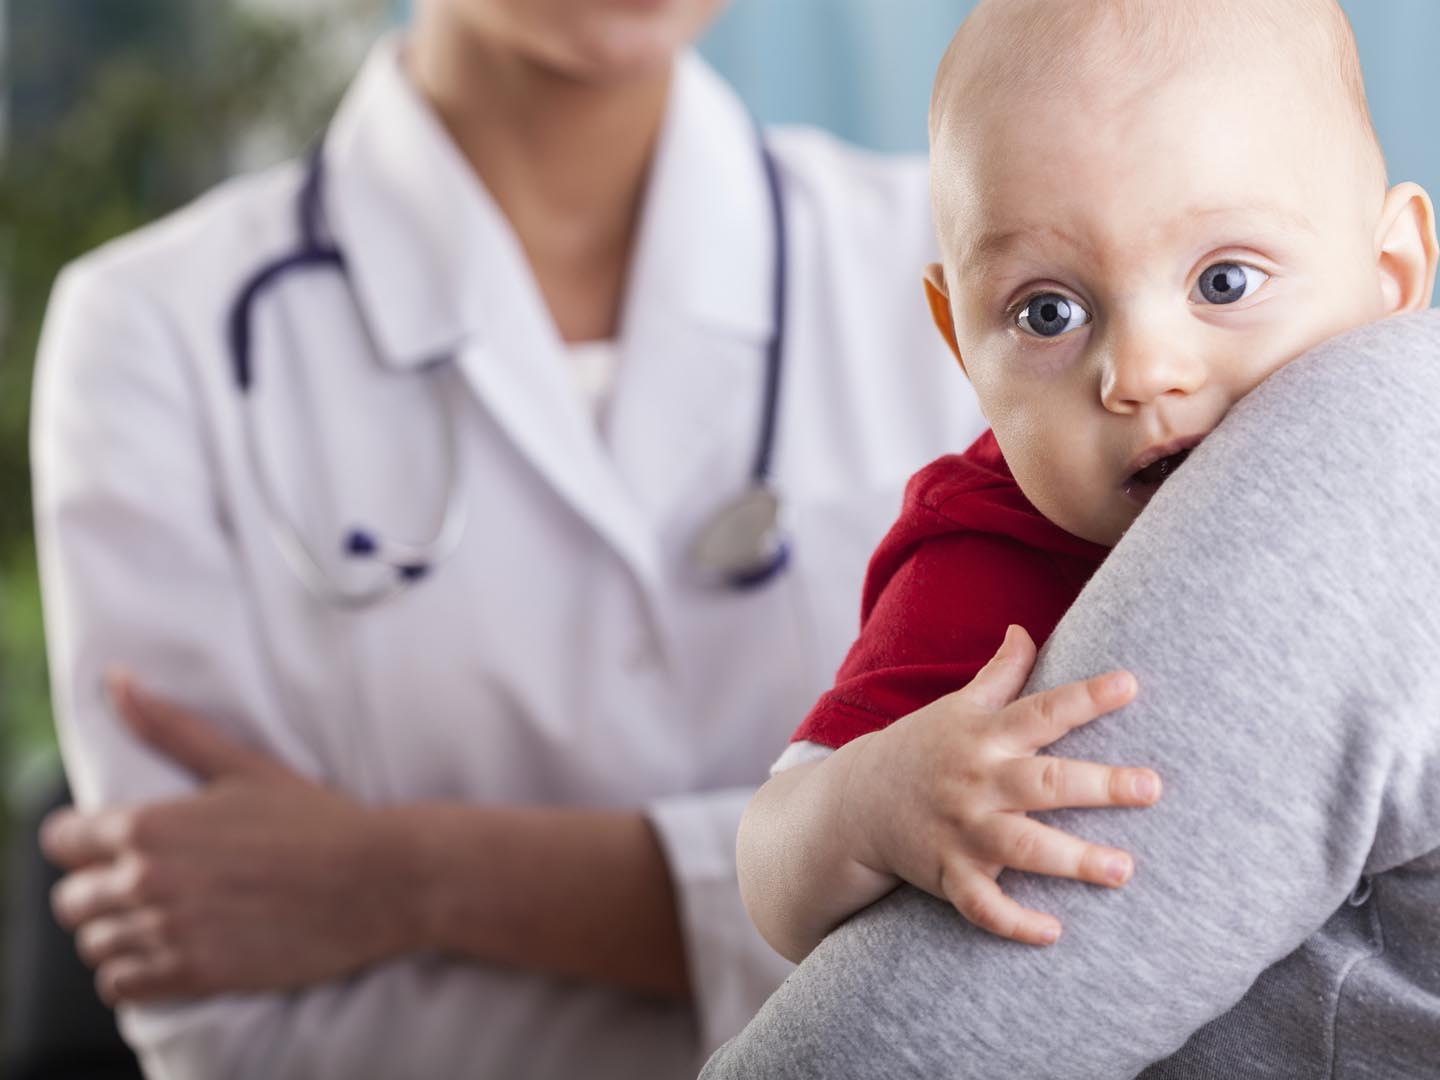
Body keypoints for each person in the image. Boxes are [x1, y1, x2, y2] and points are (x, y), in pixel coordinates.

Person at [27, 1, 1159, 1078]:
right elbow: (236, 1022)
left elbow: (1076, 887)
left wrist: (407, 882)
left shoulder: (1001, 280)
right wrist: (848, 863)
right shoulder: (150, 339)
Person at [701, 1, 1440, 1076]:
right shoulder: (972, 556)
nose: (1141, 371)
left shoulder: (1403, 474)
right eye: (1048, 313)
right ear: (961, 342)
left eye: (1223, 282)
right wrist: (874, 802)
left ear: (1396, 276)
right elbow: (772, 866)